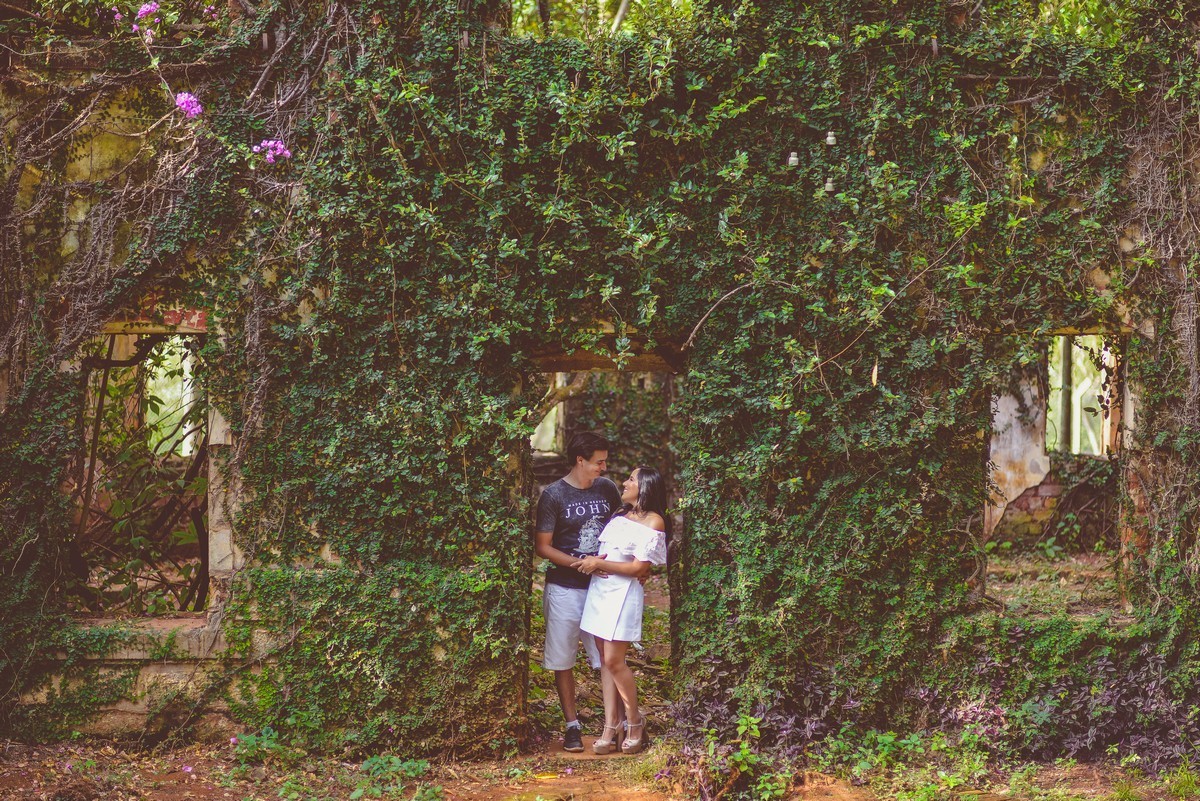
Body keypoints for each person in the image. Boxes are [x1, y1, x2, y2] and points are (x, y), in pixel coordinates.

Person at [534, 431, 623, 752]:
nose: (604, 468)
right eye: (599, 462)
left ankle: (614, 724)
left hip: (604, 586)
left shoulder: (607, 489)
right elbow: (543, 547)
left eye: (605, 461)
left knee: (608, 657)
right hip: (565, 589)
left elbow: (621, 530)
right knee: (563, 659)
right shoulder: (554, 495)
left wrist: (627, 566)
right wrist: (579, 564)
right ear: (580, 460)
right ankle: (572, 726)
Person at [573, 466, 669, 755]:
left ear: (646, 487)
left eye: (631, 479)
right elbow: (612, 553)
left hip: (623, 595)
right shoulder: (619, 515)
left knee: (615, 661)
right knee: (604, 660)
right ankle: (610, 725)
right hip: (600, 593)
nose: (624, 483)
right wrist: (596, 562)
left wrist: (598, 564)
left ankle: (635, 722)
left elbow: (639, 567)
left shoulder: (655, 522)